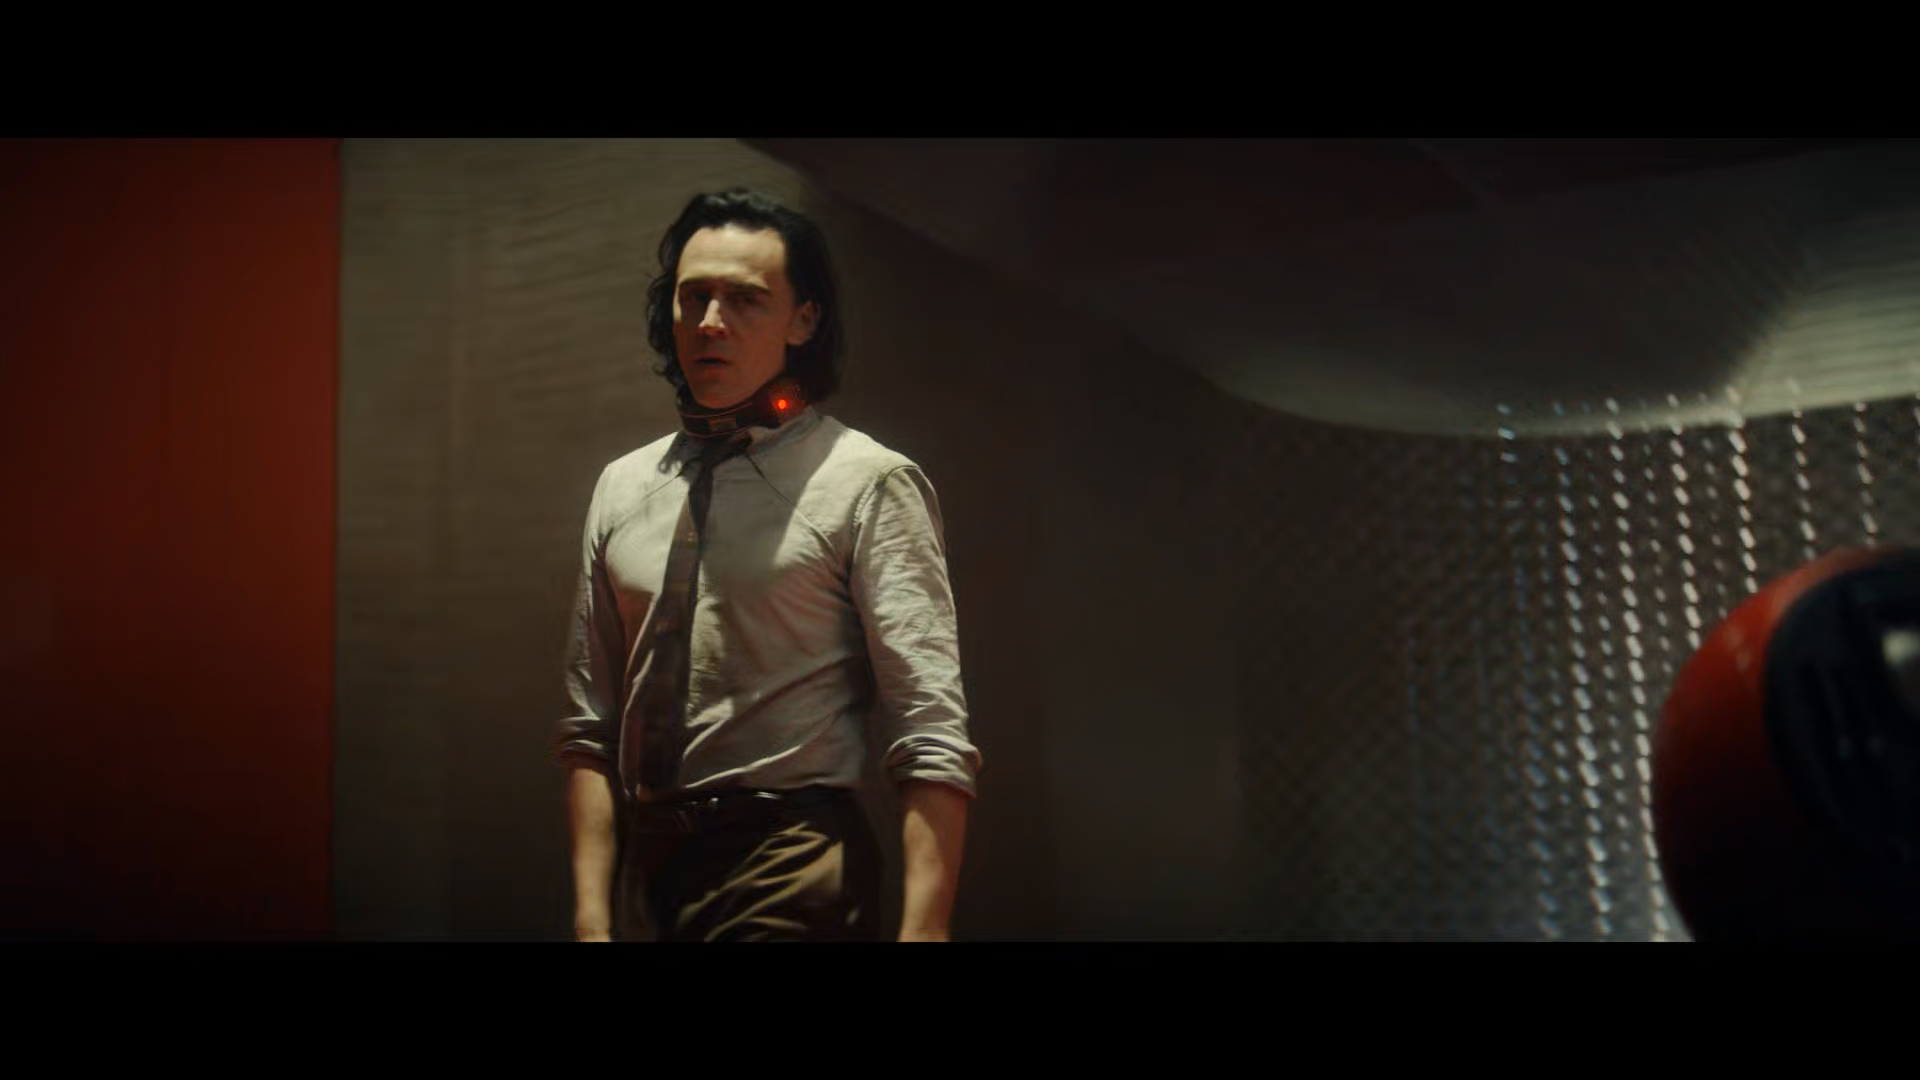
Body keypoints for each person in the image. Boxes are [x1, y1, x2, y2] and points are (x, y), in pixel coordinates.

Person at [552, 188, 981, 942]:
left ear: (802, 320)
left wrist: (925, 932)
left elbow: (929, 727)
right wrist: (591, 920)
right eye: (694, 297)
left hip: (791, 859)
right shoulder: (623, 486)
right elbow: (590, 726)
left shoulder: (866, 480)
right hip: (650, 870)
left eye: (745, 299)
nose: (711, 322)